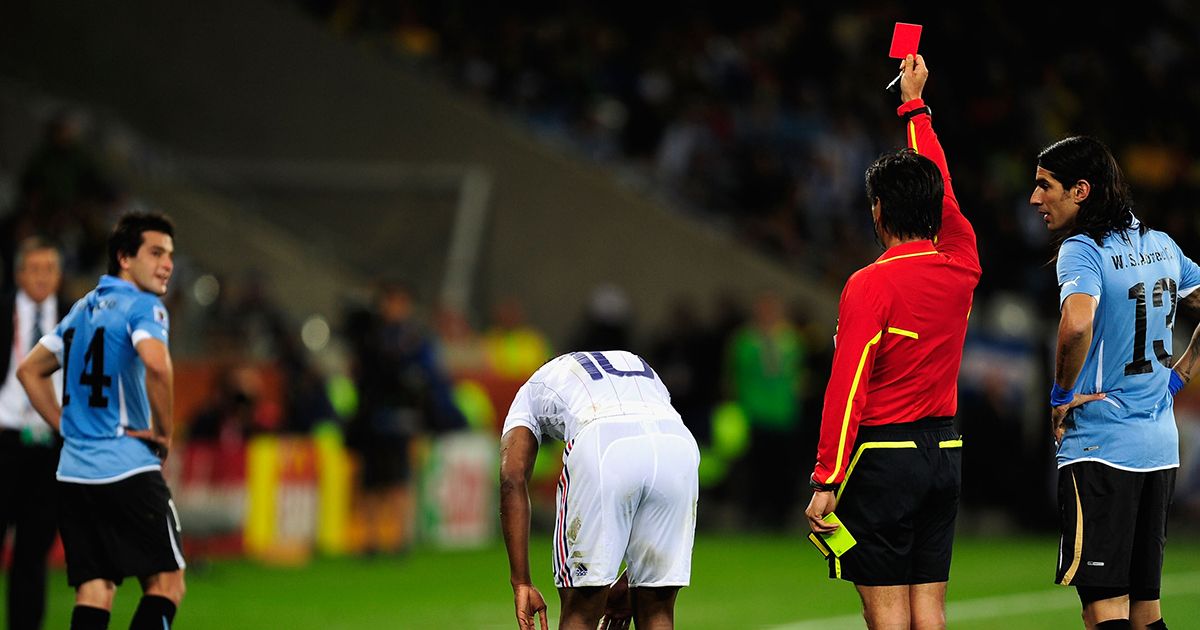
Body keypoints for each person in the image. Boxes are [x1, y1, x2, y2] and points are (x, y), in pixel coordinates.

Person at [803, 54, 980, 629]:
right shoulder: (962, 264)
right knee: (929, 612)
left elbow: (848, 384)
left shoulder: (869, 285)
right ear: (933, 211)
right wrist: (914, 106)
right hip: (944, 454)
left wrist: (827, 479)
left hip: (882, 460)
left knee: (886, 619)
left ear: (877, 212)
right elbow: (942, 184)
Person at [1032, 134, 1200, 630]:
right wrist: (1181, 373)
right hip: (1159, 450)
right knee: (1146, 613)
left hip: (1102, 447)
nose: (1035, 199)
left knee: (1105, 610)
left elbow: (1078, 323)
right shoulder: (1160, 245)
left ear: (1080, 190)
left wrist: (1061, 396)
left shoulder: (1082, 250)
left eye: (1046, 186)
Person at [17, 212, 185, 630]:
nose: (167, 264)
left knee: (95, 589)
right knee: (166, 583)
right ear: (125, 258)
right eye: (156, 253)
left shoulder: (83, 308)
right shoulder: (145, 306)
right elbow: (158, 367)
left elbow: (29, 371)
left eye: (170, 255)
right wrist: (164, 431)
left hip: (74, 474)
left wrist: (66, 427)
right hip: (126, 467)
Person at [500, 350, 699, 630]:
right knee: (657, 608)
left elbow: (512, 476)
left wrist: (521, 581)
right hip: (677, 444)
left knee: (581, 610)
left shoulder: (534, 385)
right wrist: (633, 579)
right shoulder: (634, 362)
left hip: (602, 442)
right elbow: (648, 452)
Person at [0, 237, 66, 630]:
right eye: (34, 268)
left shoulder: (76, 316)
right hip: (3, 440)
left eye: (49, 269)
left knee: (33, 551)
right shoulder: (3, 310)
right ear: (18, 273)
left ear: (59, 274)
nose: (41, 277)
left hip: (50, 445)